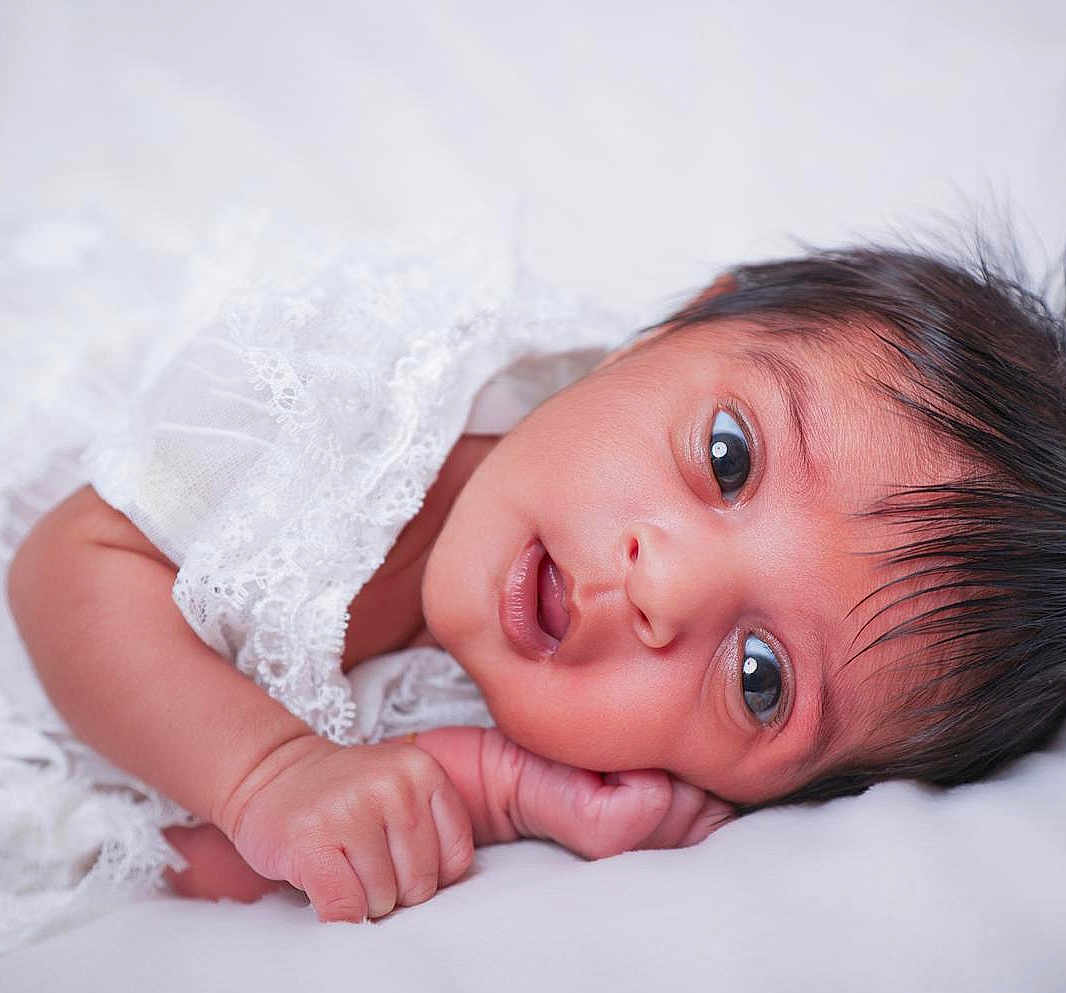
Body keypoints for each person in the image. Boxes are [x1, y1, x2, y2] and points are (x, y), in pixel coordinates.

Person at [8, 241, 1065, 925]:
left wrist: (500, 792)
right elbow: (64, 566)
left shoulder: (531, 720)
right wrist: (268, 769)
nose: (668, 593)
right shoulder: (335, 401)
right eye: (729, 457)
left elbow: (192, 856)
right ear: (674, 328)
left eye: (759, 678)